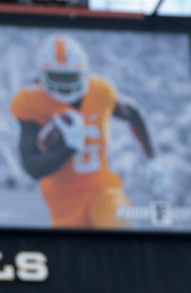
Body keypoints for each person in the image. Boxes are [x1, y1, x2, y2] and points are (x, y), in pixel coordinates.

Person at [10, 33, 167, 229]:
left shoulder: (100, 91)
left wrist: (154, 159)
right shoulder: (31, 102)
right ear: (42, 75)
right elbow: (32, 167)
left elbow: (134, 113)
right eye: (57, 76)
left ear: (84, 72)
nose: (64, 85)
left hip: (102, 190)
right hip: (63, 202)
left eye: (70, 76)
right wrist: (69, 148)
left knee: (120, 227)